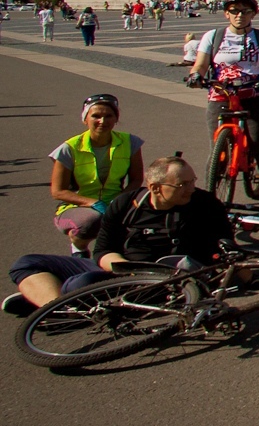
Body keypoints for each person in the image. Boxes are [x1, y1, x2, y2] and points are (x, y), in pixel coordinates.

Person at [5, 155, 230, 315]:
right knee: (27, 262)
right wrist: (123, 268)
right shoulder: (125, 204)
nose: (191, 188)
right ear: (154, 187)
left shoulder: (204, 204)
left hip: (160, 278)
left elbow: (225, 245)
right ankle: (54, 307)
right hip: (122, 269)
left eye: (193, 181)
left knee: (82, 283)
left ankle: (48, 302)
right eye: (182, 184)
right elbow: (102, 250)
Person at [191, 0, 259, 212]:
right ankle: (210, 194)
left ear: (253, 13)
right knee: (217, 148)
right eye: (234, 11)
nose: (239, 15)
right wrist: (196, 75)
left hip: (256, 93)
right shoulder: (213, 37)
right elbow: (201, 64)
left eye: (245, 11)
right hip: (221, 94)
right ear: (226, 13)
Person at [43, 93, 145, 253]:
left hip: (115, 201)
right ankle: (79, 246)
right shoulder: (69, 148)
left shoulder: (130, 142)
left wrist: (119, 201)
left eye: (109, 116)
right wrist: (92, 203)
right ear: (85, 119)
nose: (102, 121)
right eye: (96, 116)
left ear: (116, 119)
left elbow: (136, 180)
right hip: (76, 206)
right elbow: (58, 192)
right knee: (93, 220)